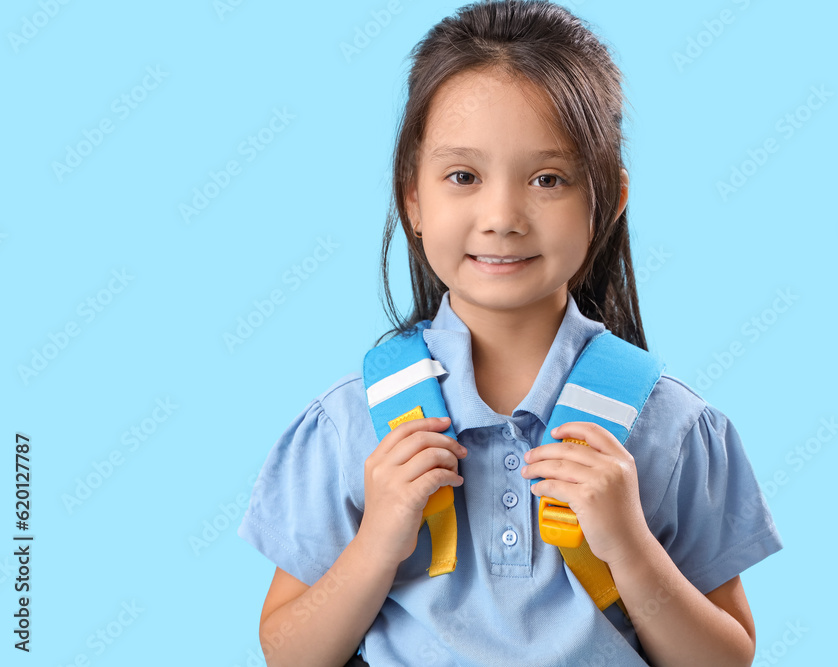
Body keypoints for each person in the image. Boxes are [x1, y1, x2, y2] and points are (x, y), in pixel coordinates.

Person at [237, 1, 783, 665]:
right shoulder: (350, 425)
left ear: (607, 200)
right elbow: (288, 653)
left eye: (547, 178)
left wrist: (632, 548)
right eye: (462, 176)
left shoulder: (673, 428)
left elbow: (727, 658)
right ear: (412, 198)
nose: (502, 216)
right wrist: (378, 538)